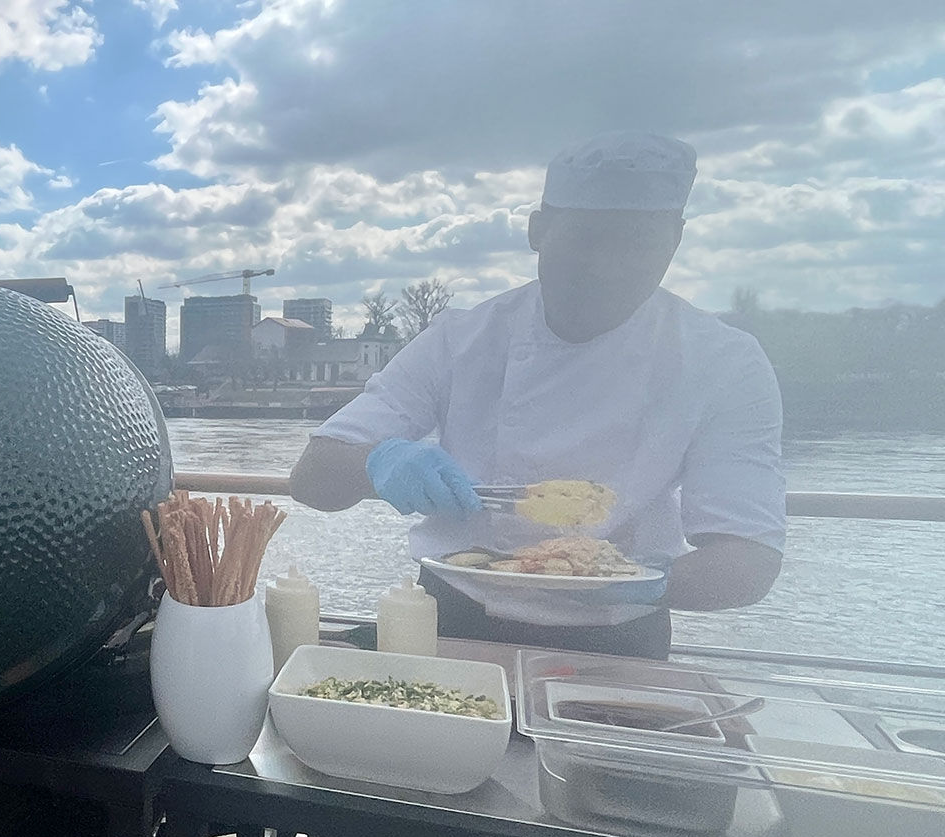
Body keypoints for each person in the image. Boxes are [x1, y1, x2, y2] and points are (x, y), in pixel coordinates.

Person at [289, 131, 785, 659]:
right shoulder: (462, 339)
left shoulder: (724, 362)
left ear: (676, 241)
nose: (609, 267)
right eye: (587, 237)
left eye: (640, 241)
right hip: (450, 621)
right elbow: (311, 478)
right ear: (538, 229)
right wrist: (380, 462)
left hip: (617, 642)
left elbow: (748, 560)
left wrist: (625, 579)